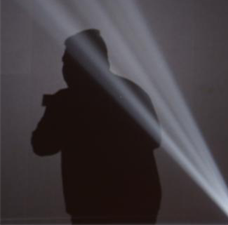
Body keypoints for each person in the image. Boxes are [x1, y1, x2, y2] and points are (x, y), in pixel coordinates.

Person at [32, 29, 162, 224]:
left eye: (68, 62)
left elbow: (42, 145)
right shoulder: (133, 92)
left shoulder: (67, 101)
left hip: (91, 203)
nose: (64, 69)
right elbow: (154, 139)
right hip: (138, 200)